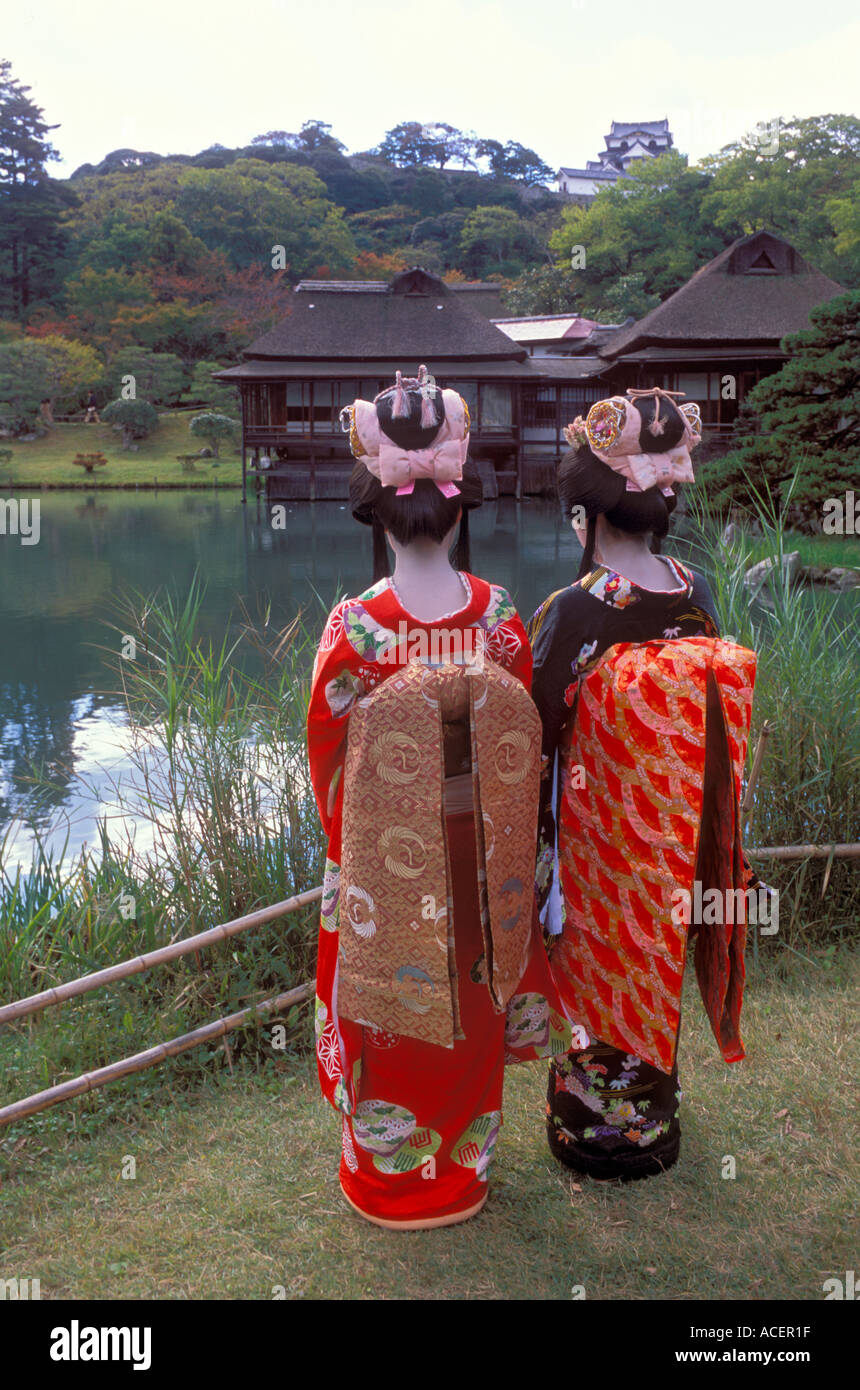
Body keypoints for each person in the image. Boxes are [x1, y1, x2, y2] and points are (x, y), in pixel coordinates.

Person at [306, 367, 574, 1230]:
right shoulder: (498, 617)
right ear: (458, 513)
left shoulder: (358, 627)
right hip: (480, 864)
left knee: (389, 1013)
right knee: (472, 1003)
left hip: (387, 866)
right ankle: (461, 1174)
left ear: (374, 515)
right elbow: (525, 743)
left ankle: (387, 1183)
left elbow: (327, 757)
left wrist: (357, 836)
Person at [530, 388, 759, 1181]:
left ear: (587, 512)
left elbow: (537, 734)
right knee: (653, 964)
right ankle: (652, 1126)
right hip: (672, 834)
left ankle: (590, 1134)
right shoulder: (695, 589)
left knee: (595, 977)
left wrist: (534, 857)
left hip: (597, 844)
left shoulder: (577, 607)